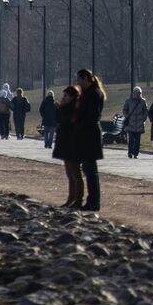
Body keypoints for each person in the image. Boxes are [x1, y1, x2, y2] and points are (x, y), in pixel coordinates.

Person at [75, 69, 106, 212]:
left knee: (90, 170)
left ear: (86, 79)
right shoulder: (91, 93)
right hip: (88, 133)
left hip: (90, 134)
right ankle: (92, 200)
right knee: (89, 169)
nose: (78, 82)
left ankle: (93, 202)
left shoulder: (93, 94)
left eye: (80, 79)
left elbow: (90, 115)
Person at [52, 85, 84, 208]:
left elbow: (65, 121)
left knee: (75, 174)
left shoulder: (75, 108)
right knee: (70, 174)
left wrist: (59, 109)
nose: (63, 98)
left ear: (72, 97)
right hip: (66, 143)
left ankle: (78, 199)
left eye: (66, 96)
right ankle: (71, 198)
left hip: (72, 144)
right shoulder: (67, 107)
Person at [121, 86, 148, 159]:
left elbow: (145, 110)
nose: (138, 95)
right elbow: (124, 110)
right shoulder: (128, 101)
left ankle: (136, 153)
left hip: (139, 123)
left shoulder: (143, 101)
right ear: (134, 93)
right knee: (131, 140)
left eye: (139, 93)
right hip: (131, 123)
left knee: (137, 141)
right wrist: (127, 116)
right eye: (137, 93)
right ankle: (130, 152)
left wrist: (143, 118)